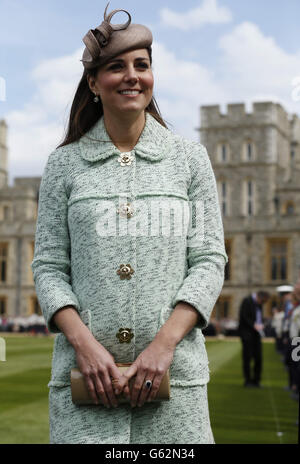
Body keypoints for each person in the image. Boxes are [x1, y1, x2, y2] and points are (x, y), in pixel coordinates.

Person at [31, 3, 227, 444]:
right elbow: (48, 266)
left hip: (176, 388)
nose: (132, 75)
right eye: (116, 66)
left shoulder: (189, 159)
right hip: (85, 384)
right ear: (94, 83)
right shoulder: (64, 165)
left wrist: (163, 347)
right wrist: (85, 346)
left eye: (142, 65)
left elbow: (209, 259)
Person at [238, 291, 270, 388]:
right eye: (263, 301)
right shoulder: (247, 301)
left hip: (256, 334)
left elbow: (258, 317)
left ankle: (256, 380)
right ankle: (248, 381)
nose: (263, 304)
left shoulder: (259, 304)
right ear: (260, 297)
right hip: (247, 334)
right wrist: (254, 325)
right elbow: (244, 316)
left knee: (258, 357)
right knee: (247, 357)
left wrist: (261, 325)